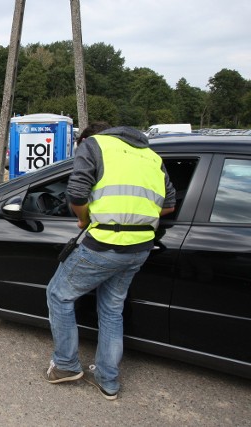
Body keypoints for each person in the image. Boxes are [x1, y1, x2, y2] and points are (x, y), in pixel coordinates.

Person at [44, 126, 175, 400]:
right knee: (112, 309)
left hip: (105, 242)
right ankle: (108, 380)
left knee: (58, 295)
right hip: (140, 247)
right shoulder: (150, 155)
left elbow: (77, 194)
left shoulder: (93, 145)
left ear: (85, 139)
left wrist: (84, 219)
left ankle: (66, 365)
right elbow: (169, 204)